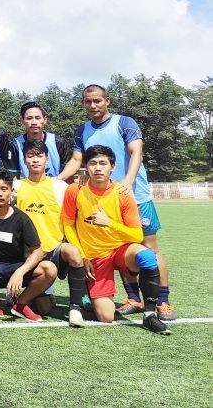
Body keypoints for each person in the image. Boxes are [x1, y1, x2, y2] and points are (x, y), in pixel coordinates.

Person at [58, 84, 174, 321]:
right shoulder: (83, 130)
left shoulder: (125, 122)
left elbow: (136, 152)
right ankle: (133, 298)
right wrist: (56, 180)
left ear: (107, 100)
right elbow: (77, 159)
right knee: (114, 247)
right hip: (102, 197)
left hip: (134, 196)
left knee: (148, 249)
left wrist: (128, 182)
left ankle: (162, 301)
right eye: (88, 102)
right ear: (83, 104)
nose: (93, 105)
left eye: (98, 101)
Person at [61, 145, 171, 334]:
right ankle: (91, 291)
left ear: (112, 166)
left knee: (148, 257)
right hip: (95, 257)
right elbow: (68, 225)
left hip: (120, 252)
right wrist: (83, 256)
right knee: (106, 317)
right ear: (86, 166)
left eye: (103, 163)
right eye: (93, 163)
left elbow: (137, 235)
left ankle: (150, 315)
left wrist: (109, 223)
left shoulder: (123, 193)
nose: (97, 168)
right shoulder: (74, 190)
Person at [11, 139, 87, 326]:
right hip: (28, 254)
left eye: (39, 156)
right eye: (30, 156)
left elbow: (73, 218)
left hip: (54, 250)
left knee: (73, 252)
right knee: (44, 308)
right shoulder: (17, 187)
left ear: (47, 160)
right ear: (24, 160)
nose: (35, 160)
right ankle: (24, 297)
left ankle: (75, 308)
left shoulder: (59, 187)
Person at [0, 168, 56, 322]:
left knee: (50, 270)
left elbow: (38, 251)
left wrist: (20, 272)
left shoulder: (22, 219)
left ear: (11, 191)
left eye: (4, 189)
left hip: (15, 265)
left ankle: (21, 303)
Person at [14, 101, 70, 178]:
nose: (34, 122)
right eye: (29, 118)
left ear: (45, 119)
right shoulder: (16, 145)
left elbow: (67, 171)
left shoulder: (58, 142)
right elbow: (13, 177)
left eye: (37, 118)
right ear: (22, 121)